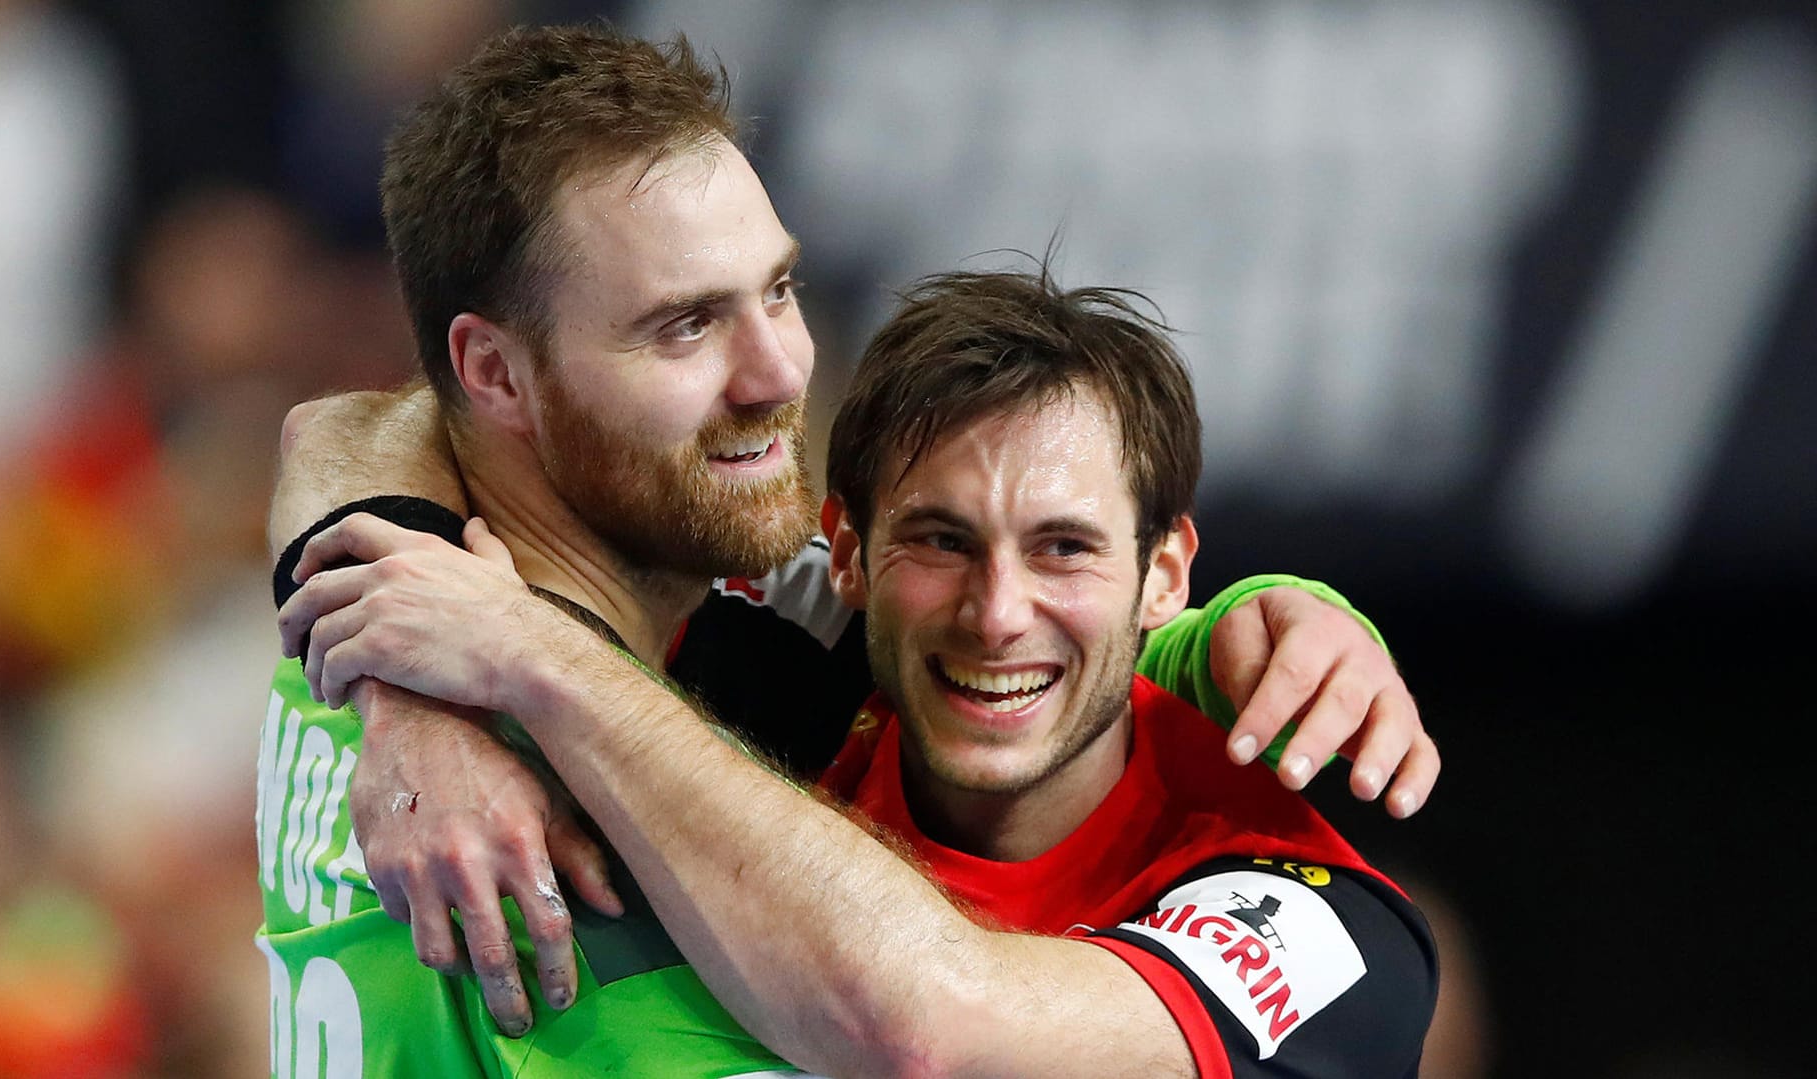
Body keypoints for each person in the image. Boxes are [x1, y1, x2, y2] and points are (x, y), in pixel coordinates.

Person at [257, 23, 1437, 1074]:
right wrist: (452, 690)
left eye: (780, 288)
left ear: (1165, 567)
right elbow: (912, 1026)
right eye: (685, 324)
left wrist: (1261, 619)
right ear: (495, 372)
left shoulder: (468, 627)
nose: (779, 369)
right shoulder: (494, 831)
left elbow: (352, 426)